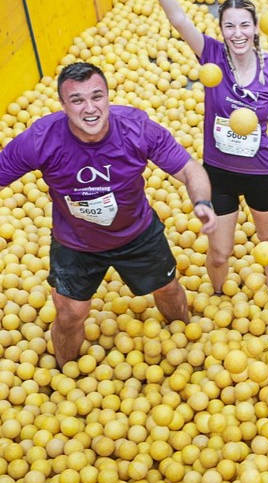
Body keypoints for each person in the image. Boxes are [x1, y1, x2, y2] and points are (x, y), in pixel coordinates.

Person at [0, 63, 217, 367]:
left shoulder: (136, 128)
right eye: (77, 100)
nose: (90, 108)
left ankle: (183, 334)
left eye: (97, 96)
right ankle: (64, 373)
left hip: (137, 233)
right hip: (75, 243)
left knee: (168, 289)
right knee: (70, 313)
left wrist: (203, 203)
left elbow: (189, 169)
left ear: (108, 97)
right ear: (63, 106)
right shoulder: (41, 139)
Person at [137, 0, 268, 296]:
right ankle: (216, 294)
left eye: (245, 24)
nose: (237, 32)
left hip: (262, 172)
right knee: (218, 252)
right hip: (219, 174)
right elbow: (179, 19)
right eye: (230, 25)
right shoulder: (211, 55)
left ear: (257, 27)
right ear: (221, 30)